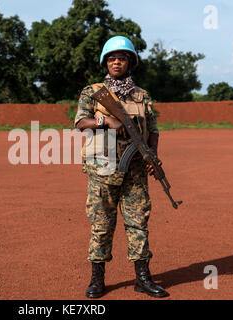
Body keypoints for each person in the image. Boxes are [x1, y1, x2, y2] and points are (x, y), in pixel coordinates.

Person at [74, 36, 168, 298]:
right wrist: (104, 122)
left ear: (130, 62)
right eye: (112, 58)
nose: (117, 61)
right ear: (106, 62)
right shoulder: (92, 92)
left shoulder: (142, 96)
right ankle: (97, 279)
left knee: (138, 222)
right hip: (102, 169)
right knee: (101, 224)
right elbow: (80, 122)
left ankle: (142, 278)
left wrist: (153, 155)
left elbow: (153, 130)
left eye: (122, 57)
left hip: (135, 170)